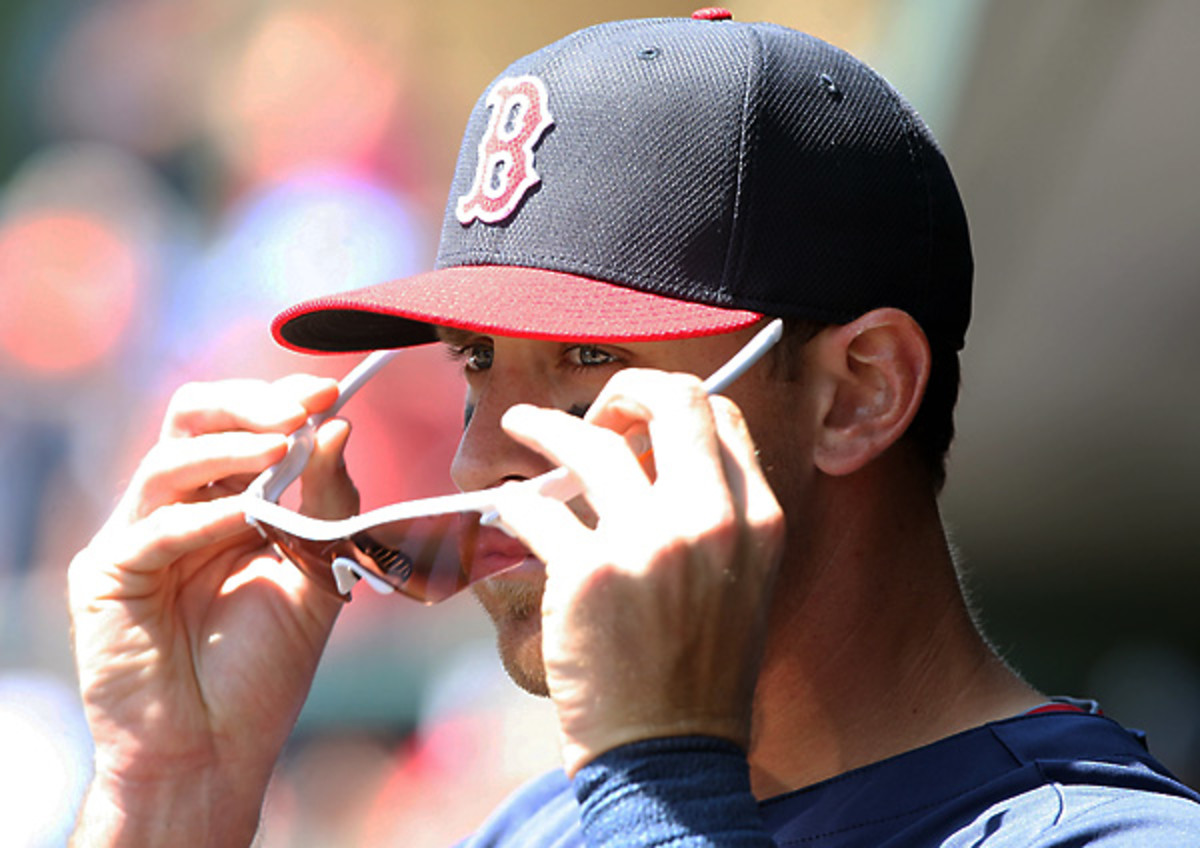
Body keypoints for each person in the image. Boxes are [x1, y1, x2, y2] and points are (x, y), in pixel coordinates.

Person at [67, 10, 1200, 846]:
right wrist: (172, 790)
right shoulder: (546, 825)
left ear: (859, 390)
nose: (482, 464)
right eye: (475, 368)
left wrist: (659, 783)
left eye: (589, 362)